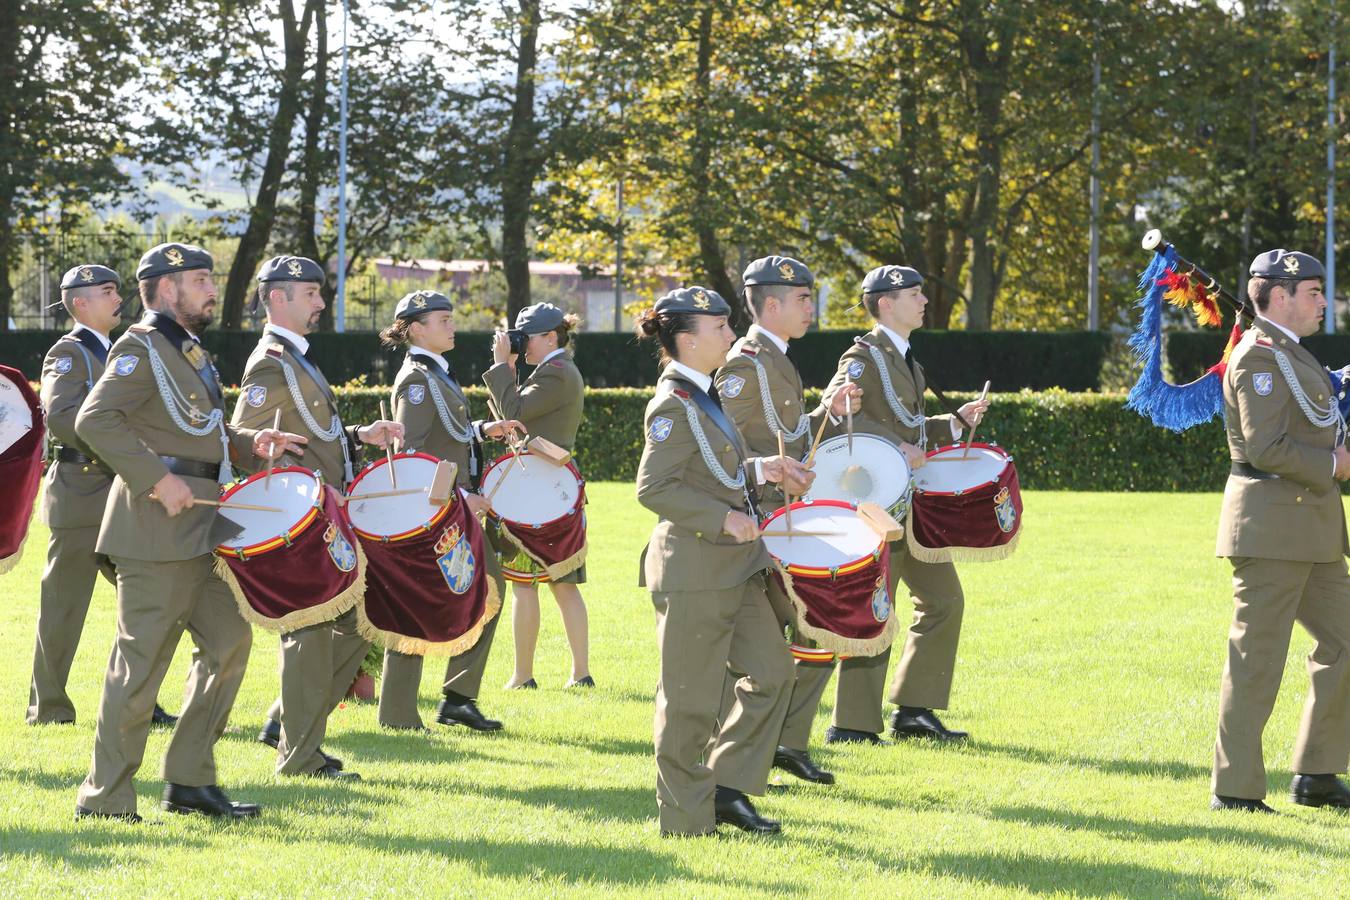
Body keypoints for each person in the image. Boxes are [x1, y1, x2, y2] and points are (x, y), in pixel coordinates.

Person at [73, 242, 303, 821]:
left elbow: (197, 428)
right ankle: (105, 798)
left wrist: (253, 445)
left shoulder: (188, 353)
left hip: (202, 523)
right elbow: (93, 418)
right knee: (141, 663)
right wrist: (155, 479)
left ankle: (190, 781)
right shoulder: (139, 347)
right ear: (167, 288)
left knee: (229, 643)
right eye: (200, 280)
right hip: (155, 526)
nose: (210, 289)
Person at [635, 285, 813, 836]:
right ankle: (686, 819)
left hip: (735, 568)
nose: (731, 336)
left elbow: (714, 466)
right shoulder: (672, 403)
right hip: (695, 571)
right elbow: (653, 487)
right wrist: (721, 519)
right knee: (689, 700)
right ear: (688, 341)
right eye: (720, 329)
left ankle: (727, 786)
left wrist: (766, 470)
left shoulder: (702, 393)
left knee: (773, 672)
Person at [233, 255, 402, 781]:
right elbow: (245, 441)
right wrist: (294, 484)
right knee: (314, 634)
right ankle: (299, 753)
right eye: (311, 293)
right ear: (278, 297)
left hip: (325, 513)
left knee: (354, 625)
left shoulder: (295, 358)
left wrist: (358, 437)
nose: (321, 303)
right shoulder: (270, 362)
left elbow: (311, 433)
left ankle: (291, 729)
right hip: (303, 521)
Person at [817, 265, 988, 745]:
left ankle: (914, 710)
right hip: (875, 505)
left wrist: (953, 424)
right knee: (874, 610)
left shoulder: (906, 358)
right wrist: (896, 446)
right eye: (914, 294)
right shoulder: (862, 357)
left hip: (910, 507)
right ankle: (851, 725)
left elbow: (909, 426)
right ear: (885, 303)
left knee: (944, 600)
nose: (924, 300)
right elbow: (837, 417)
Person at [1211, 248, 1350, 812]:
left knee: (1345, 641)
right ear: (1279, 295)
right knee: (1258, 660)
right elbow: (1266, 445)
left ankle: (1316, 772)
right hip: (1271, 526)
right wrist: (1336, 465)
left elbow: (1315, 418)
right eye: (1314, 293)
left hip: (1310, 528)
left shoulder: (1292, 353)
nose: (1323, 302)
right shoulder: (1258, 358)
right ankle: (1235, 790)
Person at [714, 255, 860, 785]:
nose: (810, 308)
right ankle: (735, 751)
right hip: (759, 522)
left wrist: (828, 412)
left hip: (787, 515)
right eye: (802, 299)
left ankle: (788, 743)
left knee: (815, 628)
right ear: (771, 304)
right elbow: (717, 451)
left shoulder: (776, 358)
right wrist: (764, 480)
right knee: (773, 641)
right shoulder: (744, 365)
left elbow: (790, 434)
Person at [29, 264, 176, 728]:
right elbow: (64, 418)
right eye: (107, 291)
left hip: (123, 492)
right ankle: (48, 708)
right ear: (79, 303)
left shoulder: (122, 350)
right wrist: (125, 445)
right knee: (64, 608)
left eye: (117, 289)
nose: (118, 298)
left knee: (146, 605)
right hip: (81, 494)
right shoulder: (69, 354)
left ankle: (140, 704)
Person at [375, 289, 522, 733]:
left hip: (450, 510)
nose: (452, 325)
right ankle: (399, 712)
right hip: (436, 512)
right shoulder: (417, 380)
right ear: (417, 328)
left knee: (487, 594)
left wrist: (482, 428)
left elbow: (448, 431)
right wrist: (461, 500)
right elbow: (412, 453)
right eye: (443, 319)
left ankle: (457, 699)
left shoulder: (433, 373)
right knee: (415, 604)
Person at [485, 303, 591, 689]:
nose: (520, 344)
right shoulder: (554, 370)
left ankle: (532, 674)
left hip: (543, 491)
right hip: (545, 487)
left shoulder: (557, 373)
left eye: (526, 337)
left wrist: (501, 367)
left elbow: (514, 412)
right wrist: (509, 371)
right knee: (550, 584)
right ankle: (569, 673)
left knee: (538, 584)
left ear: (551, 337)